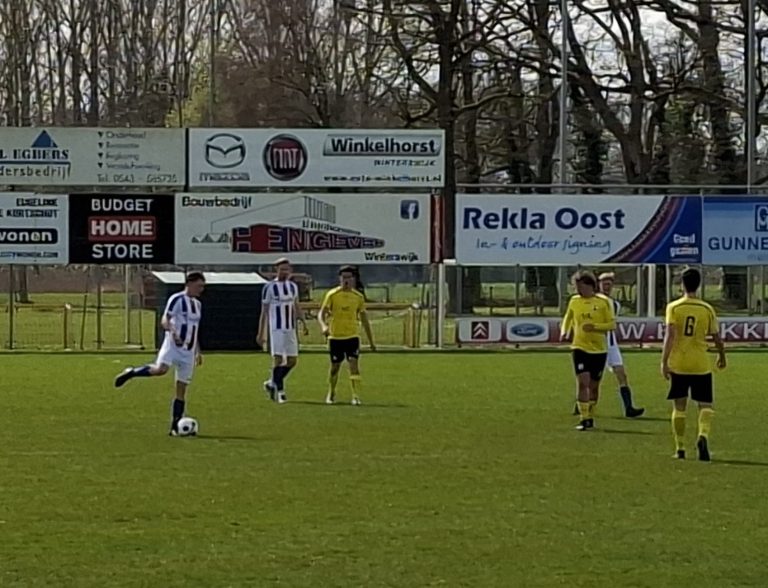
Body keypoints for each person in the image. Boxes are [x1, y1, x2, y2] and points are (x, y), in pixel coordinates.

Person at [114, 272, 205, 436]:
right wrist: (173, 332)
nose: (201, 289)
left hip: (189, 352)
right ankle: (132, 372)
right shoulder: (177, 299)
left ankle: (175, 427)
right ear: (189, 284)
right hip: (173, 345)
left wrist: (197, 351)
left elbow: (194, 329)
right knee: (160, 369)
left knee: (181, 389)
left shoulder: (198, 305)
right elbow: (165, 320)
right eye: (199, 286)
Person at [661, 267, 726, 461]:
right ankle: (703, 435)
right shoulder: (706, 309)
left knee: (679, 406)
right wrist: (722, 355)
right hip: (700, 364)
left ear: (682, 284)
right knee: (705, 405)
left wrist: (664, 361)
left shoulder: (674, 307)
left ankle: (680, 448)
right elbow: (716, 337)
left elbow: (670, 336)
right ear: (699, 285)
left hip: (679, 363)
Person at [561, 270, 616, 431]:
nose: (578, 290)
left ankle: (590, 414)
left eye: (581, 287)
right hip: (579, 347)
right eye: (576, 287)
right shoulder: (574, 301)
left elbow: (612, 325)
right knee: (582, 383)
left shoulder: (603, 302)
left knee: (594, 386)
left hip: (599, 350)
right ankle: (584, 418)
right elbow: (568, 318)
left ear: (591, 286)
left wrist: (595, 327)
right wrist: (565, 331)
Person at [318, 265, 376, 405]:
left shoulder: (358, 297)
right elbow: (321, 313)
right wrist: (324, 326)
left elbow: (364, 319)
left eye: (349, 277)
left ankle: (355, 396)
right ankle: (331, 392)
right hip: (336, 337)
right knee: (335, 367)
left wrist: (371, 342)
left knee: (353, 365)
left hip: (352, 336)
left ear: (354, 279)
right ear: (340, 278)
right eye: (344, 277)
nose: (346, 280)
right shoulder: (332, 295)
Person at [256, 258, 308, 404]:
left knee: (292, 360)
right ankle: (281, 391)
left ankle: (271, 382)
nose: (285, 272)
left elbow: (296, 305)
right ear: (276, 270)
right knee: (278, 359)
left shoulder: (292, 287)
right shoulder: (269, 287)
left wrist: (303, 322)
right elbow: (264, 311)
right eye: (282, 269)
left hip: (290, 328)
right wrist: (261, 332)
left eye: (287, 269)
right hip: (276, 328)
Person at [598, 272, 644, 418]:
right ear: (599, 285)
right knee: (593, 378)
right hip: (597, 343)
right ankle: (581, 406)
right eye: (604, 283)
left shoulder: (615, 304)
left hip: (611, 345)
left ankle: (629, 408)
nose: (607, 286)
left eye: (609, 284)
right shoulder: (594, 302)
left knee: (621, 374)